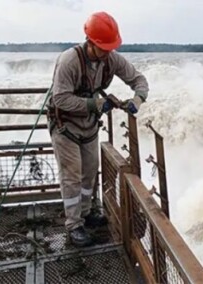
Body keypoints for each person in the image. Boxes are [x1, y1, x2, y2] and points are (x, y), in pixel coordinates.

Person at [48, 11, 149, 247]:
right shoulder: (69, 61)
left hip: (88, 126)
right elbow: (60, 99)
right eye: (103, 47)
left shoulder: (112, 59)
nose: (106, 53)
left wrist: (138, 99)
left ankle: (86, 213)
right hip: (65, 126)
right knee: (72, 174)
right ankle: (74, 225)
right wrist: (94, 104)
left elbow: (139, 80)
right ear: (91, 42)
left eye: (109, 47)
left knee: (90, 170)